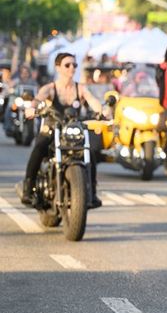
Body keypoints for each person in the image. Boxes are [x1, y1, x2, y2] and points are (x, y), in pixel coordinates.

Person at [18, 52, 105, 209]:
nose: (71, 68)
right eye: (67, 65)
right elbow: (38, 99)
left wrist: (102, 111)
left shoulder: (80, 89)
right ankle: (28, 188)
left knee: (90, 153)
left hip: (73, 129)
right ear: (58, 67)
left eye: (74, 65)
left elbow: (92, 100)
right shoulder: (50, 88)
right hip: (52, 128)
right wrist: (32, 108)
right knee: (39, 148)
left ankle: (91, 192)